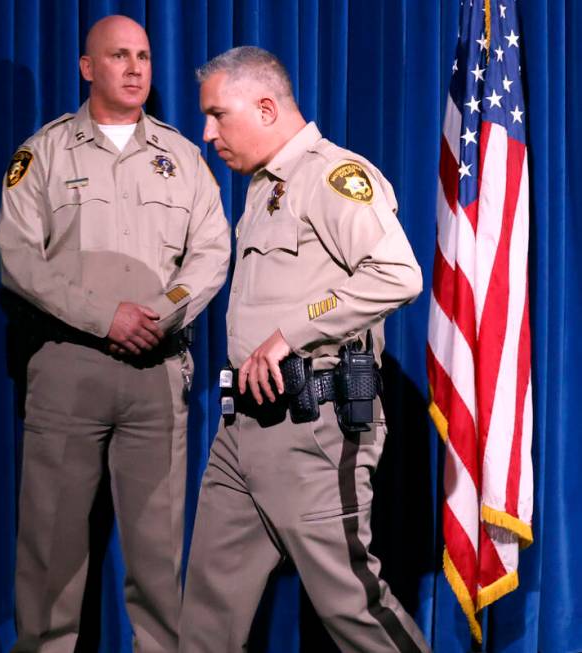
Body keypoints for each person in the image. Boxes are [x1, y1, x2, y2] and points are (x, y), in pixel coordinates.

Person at [180, 46, 431, 652]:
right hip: (242, 429)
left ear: (265, 107)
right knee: (205, 620)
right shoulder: (262, 189)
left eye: (218, 115)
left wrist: (291, 332)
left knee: (352, 609)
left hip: (312, 428)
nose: (208, 133)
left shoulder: (334, 175)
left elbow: (398, 274)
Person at [0, 15, 231, 652]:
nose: (135, 69)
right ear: (87, 67)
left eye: (145, 57)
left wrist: (162, 310)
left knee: (158, 552)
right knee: (51, 551)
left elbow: (212, 252)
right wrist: (106, 319)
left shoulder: (182, 157)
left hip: (157, 371)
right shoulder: (41, 153)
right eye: (119, 55)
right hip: (69, 367)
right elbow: (20, 261)